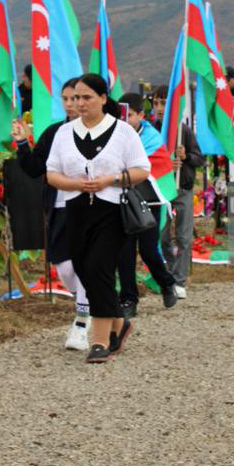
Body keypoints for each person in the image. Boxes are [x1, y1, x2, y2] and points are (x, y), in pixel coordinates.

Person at [44, 74, 150, 364]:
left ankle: (100, 341)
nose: (80, 103)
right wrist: (74, 184)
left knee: (99, 267)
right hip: (75, 209)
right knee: (84, 270)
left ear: (103, 98)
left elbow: (142, 170)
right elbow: (51, 173)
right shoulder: (64, 133)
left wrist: (111, 179)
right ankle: (120, 323)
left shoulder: (123, 132)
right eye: (75, 97)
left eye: (86, 97)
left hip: (112, 209)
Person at [12, 77, 92, 351]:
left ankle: (82, 322)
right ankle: (86, 299)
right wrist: (22, 143)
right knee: (65, 268)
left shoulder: (98, 131)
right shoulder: (54, 132)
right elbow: (35, 168)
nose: (71, 104)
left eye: (76, 98)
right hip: (59, 207)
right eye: (66, 99)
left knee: (84, 265)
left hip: (91, 207)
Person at [117, 93, 179, 314]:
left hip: (148, 201)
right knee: (124, 252)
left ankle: (167, 283)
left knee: (148, 251)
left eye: (130, 115)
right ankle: (129, 300)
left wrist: (124, 170)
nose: (125, 120)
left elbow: (157, 165)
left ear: (141, 115)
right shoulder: (114, 134)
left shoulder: (152, 137)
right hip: (121, 200)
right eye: (121, 115)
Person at [151, 85, 203, 299]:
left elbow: (199, 158)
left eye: (164, 103)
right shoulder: (151, 131)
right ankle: (170, 274)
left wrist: (186, 157)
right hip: (160, 192)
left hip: (181, 189)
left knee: (182, 235)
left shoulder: (184, 131)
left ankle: (179, 279)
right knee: (163, 237)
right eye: (156, 103)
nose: (160, 108)